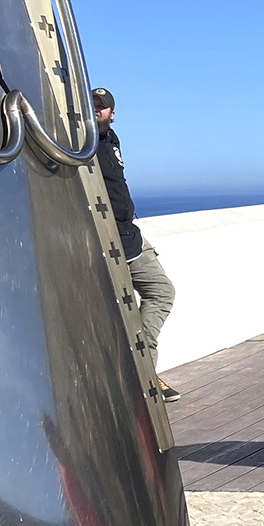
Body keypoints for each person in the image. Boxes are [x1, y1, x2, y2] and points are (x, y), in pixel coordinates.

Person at [93, 87, 180, 402]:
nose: (96, 110)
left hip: (130, 234)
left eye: (101, 107)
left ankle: (143, 367)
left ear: (112, 113)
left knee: (162, 292)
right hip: (108, 238)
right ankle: (144, 373)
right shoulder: (81, 141)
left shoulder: (110, 138)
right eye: (91, 105)